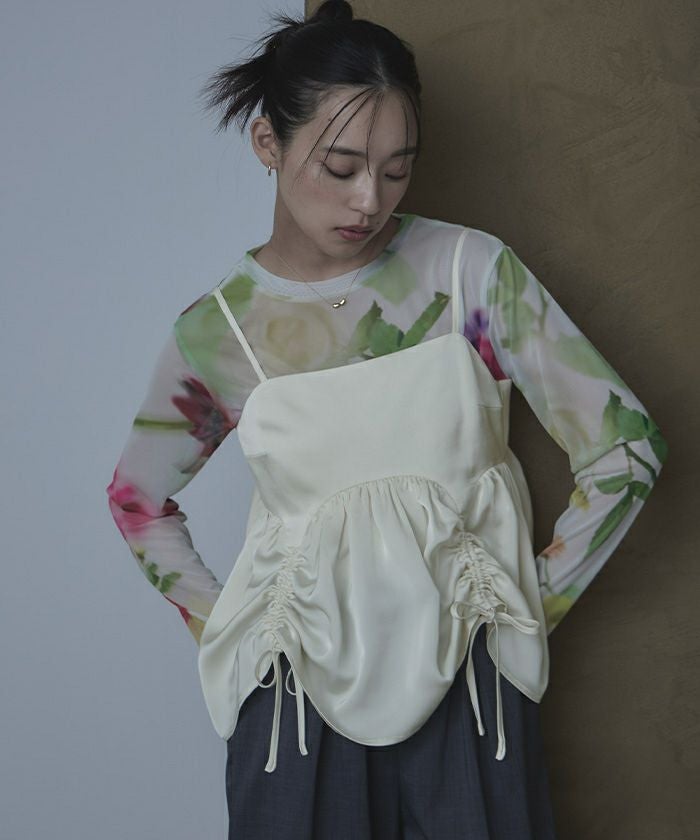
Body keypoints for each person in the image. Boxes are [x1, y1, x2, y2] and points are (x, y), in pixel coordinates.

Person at [105, 1, 668, 837]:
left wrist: (520, 612)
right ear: (267, 143)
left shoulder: (472, 273)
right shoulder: (219, 332)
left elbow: (626, 450)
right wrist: (239, 640)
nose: (369, 199)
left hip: (471, 687)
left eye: (397, 169)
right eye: (340, 167)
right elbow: (138, 502)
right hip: (294, 707)